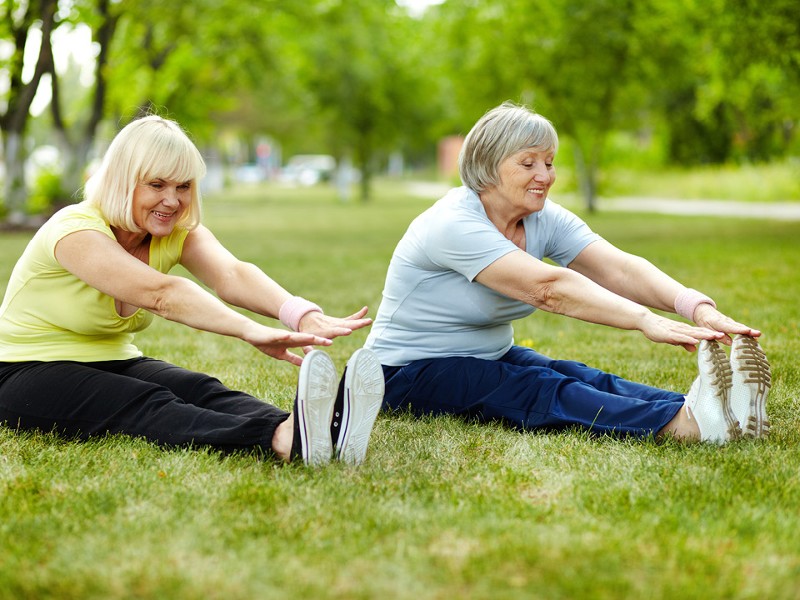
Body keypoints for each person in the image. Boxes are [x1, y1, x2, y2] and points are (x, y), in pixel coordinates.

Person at [364, 101, 771, 444]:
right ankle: (681, 425)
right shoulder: (452, 223)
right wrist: (644, 320)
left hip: (485, 354)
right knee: (538, 389)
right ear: (487, 166)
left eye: (549, 162)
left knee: (577, 376)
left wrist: (694, 307)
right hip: (401, 374)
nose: (545, 175)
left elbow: (617, 267)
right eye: (528, 163)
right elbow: (548, 289)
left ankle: (710, 409)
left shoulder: (542, 217)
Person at [0, 115, 385, 466]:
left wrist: (300, 313)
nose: (172, 200)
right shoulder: (75, 230)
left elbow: (231, 274)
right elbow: (161, 294)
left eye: (182, 186)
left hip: (110, 358)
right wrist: (249, 330)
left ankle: (316, 430)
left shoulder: (174, 232)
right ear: (122, 180)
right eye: (157, 185)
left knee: (200, 388)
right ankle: (279, 439)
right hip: (24, 370)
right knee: (146, 403)